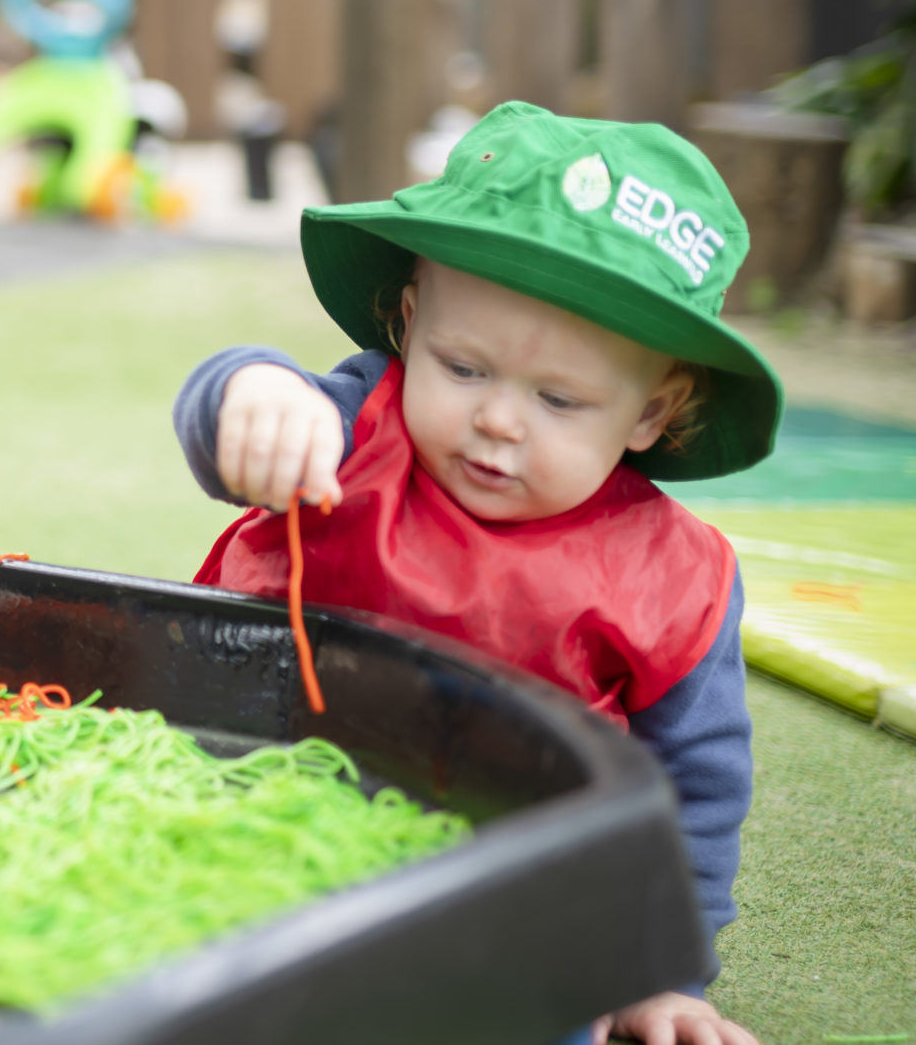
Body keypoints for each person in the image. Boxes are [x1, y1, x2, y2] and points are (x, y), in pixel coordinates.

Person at [172, 104, 774, 1045]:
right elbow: (227, 418)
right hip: (257, 824)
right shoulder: (359, 423)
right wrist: (253, 392)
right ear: (410, 324)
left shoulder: (672, 578)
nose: (498, 419)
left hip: (508, 896)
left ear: (651, 411)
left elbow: (692, 790)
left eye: (558, 398)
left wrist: (660, 969)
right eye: (463, 366)